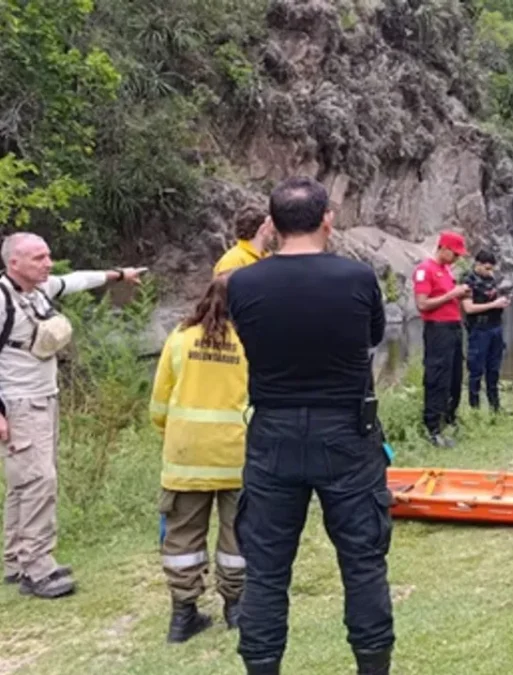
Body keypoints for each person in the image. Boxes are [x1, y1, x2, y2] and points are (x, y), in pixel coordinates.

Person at [227, 177, 393, 675]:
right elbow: (373, 337)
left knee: (266, 571)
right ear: (328, 220)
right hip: (347, 432)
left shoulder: (243, 283)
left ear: (271, 225)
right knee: (363, 563)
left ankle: (262, 666)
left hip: (272, 434)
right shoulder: (357, 278)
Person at [0, 232, 145, 599]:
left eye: (48, 256)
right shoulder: (2, 300)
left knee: (24, 482)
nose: (47, 263)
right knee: (39, 482)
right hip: (18, 403)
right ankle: (38, 568)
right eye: (38, 258)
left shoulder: (39, 291)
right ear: (13, 262)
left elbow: (78, 280)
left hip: (43, 398)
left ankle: (17, 560)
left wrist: (118, 275)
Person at [150, 273, 248, 643]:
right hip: (235, 455)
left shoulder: (180, 338)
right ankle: (236, 608)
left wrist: (174, 434)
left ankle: (183, 615)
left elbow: (159, 403)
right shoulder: (249, 342)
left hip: (185, 456)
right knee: (239, 533)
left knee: (182, 538)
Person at [413, 231, 470, 448]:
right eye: (455, 254)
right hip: (437, 328)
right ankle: (432, 427)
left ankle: (449, 418)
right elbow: (422, 304)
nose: (457, 258)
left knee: (454, 376)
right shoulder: (425, 270)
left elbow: (448, 298)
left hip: (454, 326)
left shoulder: (446, 271)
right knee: (437, 375)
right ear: (444, 248)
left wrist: (460, 295)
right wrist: (451, 295)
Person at [462, 250, 511, 414]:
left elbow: (494, 297)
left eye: (492, 269)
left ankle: (495, 407)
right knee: (476, 371)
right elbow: (468, 308)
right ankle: (475, 409)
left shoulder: (491, 279)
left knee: (494, 369)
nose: (490, 272)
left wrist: (503, 302)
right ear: (478, 264)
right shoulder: (468, 281)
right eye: (487, 268)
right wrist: (493, 305)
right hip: (479, 329)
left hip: (495, 326)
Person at [213, 203, 275, 275]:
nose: (274, 228)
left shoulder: (267, 257)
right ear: (263, 229)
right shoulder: (231, 261)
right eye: (270, 223)